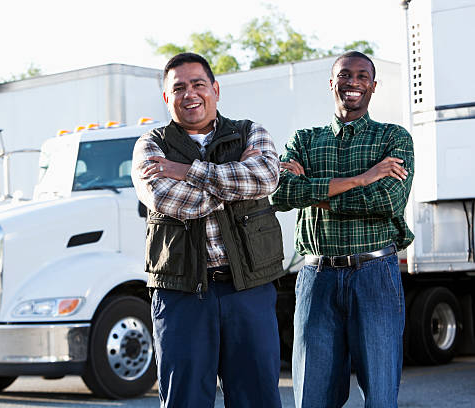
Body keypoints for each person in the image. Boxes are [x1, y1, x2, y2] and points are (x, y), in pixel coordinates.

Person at [131, 52, 285, 408]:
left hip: (247, 289)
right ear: (167, 98)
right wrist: (234, 184)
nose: (190, 94)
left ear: (215, 88)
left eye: (198, 84)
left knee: (257, 399)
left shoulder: (251, 131)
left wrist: (186, 172)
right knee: (185, 400)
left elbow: (266, 176)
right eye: (179, 88)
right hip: (182, 294)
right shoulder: (150, 146)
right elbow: (167, 199)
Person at [271, 51, 414, 407]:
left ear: (373, 86)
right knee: (313, 399)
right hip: (317, 278)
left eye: (362, 76)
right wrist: (361, 179)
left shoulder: (393, 139)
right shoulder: (304, 140)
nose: (353, 82)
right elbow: (280, 192)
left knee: (380, 398)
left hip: (375, 276)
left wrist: (315, 191)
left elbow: (388, 201)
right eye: (345, 75)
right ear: (332, 83)